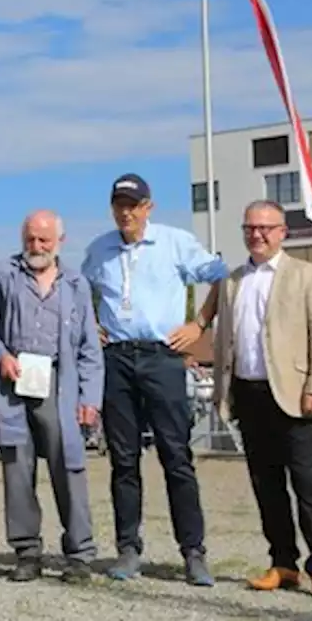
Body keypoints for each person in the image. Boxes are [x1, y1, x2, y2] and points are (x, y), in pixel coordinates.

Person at [81, 173, 227, 586]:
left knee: (176, 456)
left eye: (133, 204)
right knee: (123, 460)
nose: (125, 212)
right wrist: (90, 324)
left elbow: (220, 274)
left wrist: (199, 325)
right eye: (119, 204)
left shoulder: (174, 242)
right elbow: (75, 290)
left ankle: (193, 552)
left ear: (148, 207)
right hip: (117, 360)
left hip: (162, 357)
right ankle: (128, 549)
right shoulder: (99, 249)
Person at [211, 199, 312, 599]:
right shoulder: (231, 281)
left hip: (294, 393)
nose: (257, 234)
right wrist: (222, 392)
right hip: (248, 393)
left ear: (283, 232)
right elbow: (223, 341)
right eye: (250, 228)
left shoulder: (308, 275)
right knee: (266, 485)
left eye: (266, 227)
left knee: (307, 482)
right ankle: (282, 562)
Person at [0, 209, 104, 585]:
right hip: (13, 382)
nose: (36, 247)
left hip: (59, 382)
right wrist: (0, 355)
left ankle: (79, 554)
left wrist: (91, 397)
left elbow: (89, 347)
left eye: (44, 240)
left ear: (60, 242)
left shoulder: (76, 284)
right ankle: (26, 552)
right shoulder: (3, 273)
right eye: (30, 240)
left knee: (69, 469)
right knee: (17, 470)